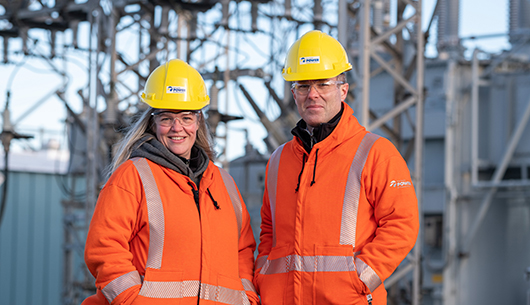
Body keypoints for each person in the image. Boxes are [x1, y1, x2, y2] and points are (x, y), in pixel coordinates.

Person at [253, 30, 419, 305]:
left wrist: (362, 278)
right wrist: (264, 278)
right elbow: (269, 232)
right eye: (303, 86)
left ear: (343, 90)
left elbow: (402, 223)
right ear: (294, 94)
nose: (313, 95)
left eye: (323, 84)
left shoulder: (375, 153)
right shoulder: (278, 161)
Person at [82, 59, 259, 305]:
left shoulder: (225, 183)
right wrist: (134, 302)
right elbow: (104, 250)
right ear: (153, 122)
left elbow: (243, 252)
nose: (177, 128)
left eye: (186, 118)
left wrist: (247, 299)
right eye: (166, 118)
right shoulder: (132, 176)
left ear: (198, 121)